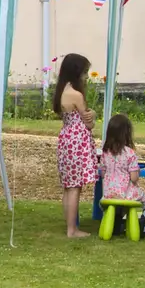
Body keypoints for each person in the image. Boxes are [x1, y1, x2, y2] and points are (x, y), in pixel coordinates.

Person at [52, 53, 96, 238]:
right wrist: (92, 114)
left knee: (68, 186)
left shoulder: (62, 92)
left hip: (66, 140)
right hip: (77, 142)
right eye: (85, 72)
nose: (86, 77)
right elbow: (88, 123)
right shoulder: (76, 95)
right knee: (75, 186)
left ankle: (69, 226)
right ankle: (72, 229)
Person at [98, 114, 145, 227]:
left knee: (117, 206)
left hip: (108, 195)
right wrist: (137, 172)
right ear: (126, 133)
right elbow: (133, 178)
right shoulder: (129, 153)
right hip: (126, 194)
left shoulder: (105, 152)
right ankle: (143, 220)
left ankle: (117, 221)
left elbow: (103, 173)